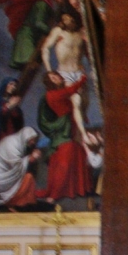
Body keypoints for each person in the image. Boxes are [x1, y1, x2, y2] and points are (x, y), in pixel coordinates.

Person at [38, 72, 93, 201]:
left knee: (79, 155)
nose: (56, 78)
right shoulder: (52, 95)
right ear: (48, 82)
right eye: (52, 77)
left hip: (71, 128)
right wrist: (83, 78)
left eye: (56, 75)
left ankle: (77, 189)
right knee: (64, 163)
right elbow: (71, 90)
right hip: (64, 130)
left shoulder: (60, 92)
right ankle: (54, 194)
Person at [0, 127, 40, 208]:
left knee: (29, 177)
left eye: (34, 140)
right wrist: (30, 158)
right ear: (25, 137)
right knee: (28, 178)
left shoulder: (19, 144)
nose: (33, 142)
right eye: (31, 139)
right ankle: (12, 202)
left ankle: (24, 203)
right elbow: (15, 166)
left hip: (8, 174)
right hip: (0, 177)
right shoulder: (11, 145)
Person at [0, 78, 23, 147]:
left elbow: (18, 121)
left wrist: (15, 110)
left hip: (7, 132)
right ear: (4, 84)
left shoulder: (12, 100)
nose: (13, 87)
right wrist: (8, 107)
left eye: (15, 85)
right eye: (11, 84)